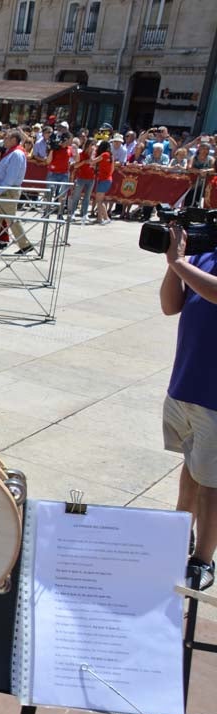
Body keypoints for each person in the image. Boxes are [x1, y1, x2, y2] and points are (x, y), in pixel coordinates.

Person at [160, 226, 217, 591]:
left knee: (212, 482)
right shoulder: (206, 250)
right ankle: (181, 536)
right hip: (187, 381)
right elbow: (170, 306)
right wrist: (173, 263)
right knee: (191, 468)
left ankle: (203, 560)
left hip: (214, 393)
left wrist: (179, 262)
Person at [65, 138, 96, 221]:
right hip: (81, 178)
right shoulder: (81, 154)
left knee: (87, 197)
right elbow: (75, 166)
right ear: (87, 146)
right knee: (76, 196)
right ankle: (73, 213)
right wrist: (85, 162)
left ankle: (85, 214)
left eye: (94, 145)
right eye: (91, 145)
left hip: (91, 178)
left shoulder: (94, 155)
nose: (93, 147)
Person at [89, 139, 114, 225]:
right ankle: (99, 218)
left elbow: (92, 161)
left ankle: (106, 218)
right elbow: (112, 169)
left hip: (104, 180)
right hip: (107, 179)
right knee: (99, 199)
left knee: (99, 200)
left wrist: (92, 151)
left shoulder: (104, 154)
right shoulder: (110, 155)